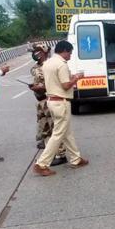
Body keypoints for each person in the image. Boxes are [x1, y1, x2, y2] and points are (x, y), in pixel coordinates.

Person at [33, 41, 88, 176]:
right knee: (58, 134)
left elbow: (54, 82)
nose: (70, 55)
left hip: (51, 100)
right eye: (70, 52)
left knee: (67, 133)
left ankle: (76, 158)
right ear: (64, 50)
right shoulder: (61, 65)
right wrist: (76, 78)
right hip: (61, 102)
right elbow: (65, 85)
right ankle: (42, 163)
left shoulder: (48, 63)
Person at [29, 43, 67, 166]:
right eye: (34, 52)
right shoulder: (35, 67)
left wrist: (40, 88)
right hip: (40, 101)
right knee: (44, 128)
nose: (34, 54)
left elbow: (55, 84)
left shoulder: (50, 66)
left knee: (54, 128)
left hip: (49, 99)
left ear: (44, 53)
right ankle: (49, 153)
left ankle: (61, 154)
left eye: (37, 52)